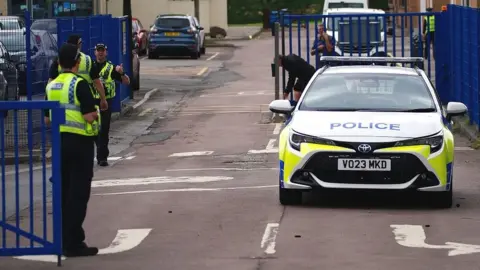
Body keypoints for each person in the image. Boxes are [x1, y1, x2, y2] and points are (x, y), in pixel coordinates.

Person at [44, 43, 100, 257]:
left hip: (59, 143)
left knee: (64, 192)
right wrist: (95, 113)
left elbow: (48, 119)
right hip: (80, 143)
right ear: (77, 63)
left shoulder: (51, 86)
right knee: (78, 194)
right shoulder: (80, 84)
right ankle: (74, 242)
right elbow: (88, 116)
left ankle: (63, 239)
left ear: (59, 63)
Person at [48, 34, 108, 111]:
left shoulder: (59, 59)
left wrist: (49, 101)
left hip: (63, 98)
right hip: (86, 98)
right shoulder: (87, 59)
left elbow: (51, 81)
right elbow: (97, 82)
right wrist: (103, 99)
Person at [93, 43, 130, 166]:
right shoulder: (90, 67)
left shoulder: (111, 68)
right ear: (95, 52)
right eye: (98, 50)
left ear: (106, 52)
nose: (100, 53)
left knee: (104, 129)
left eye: (102, 50)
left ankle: (102, 157)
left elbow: (126, 82)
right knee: (93, 130)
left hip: (106, 103)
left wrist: (121, 73)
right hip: (92, 101)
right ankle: (99, 149)